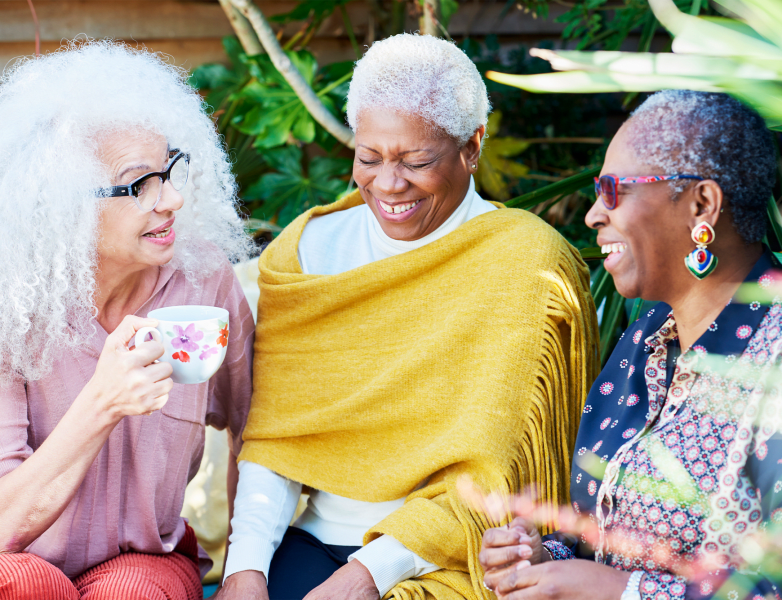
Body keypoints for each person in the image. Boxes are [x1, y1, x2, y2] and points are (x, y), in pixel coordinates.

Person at [217, 33, 599, 600]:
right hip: (314, 542)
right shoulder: (307, 252)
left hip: (452, 556)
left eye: (417, 162)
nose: (389, 185)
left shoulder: (525, 264)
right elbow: (276, 440)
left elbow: (495, 473)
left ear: (472, 146)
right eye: (368, 158)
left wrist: (368, 574)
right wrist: (244, 569)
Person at [479, 91, 782, 600]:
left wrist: (621, 591)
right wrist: (545, 559)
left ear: (701, 205)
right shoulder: (648, 334)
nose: (591, 215)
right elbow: (605, 542)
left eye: (612, 190)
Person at [0, 42, 255, 600]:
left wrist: (244, 570)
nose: (171, 201)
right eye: (140, 184)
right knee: (24, 585)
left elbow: (254, 430)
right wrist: (105, 400)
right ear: (62, 201)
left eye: (170, 170)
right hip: (16, 557)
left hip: (146, 558)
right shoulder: (11, 305)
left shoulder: (204, 280)